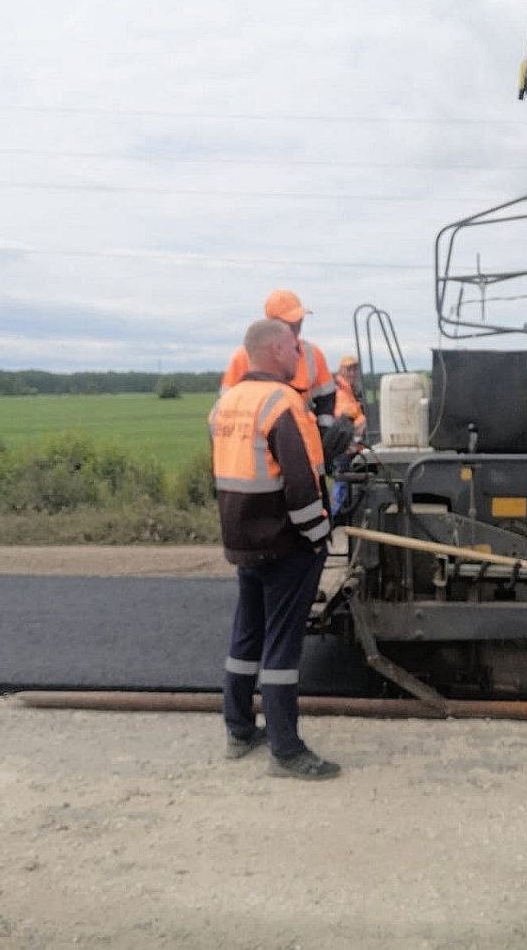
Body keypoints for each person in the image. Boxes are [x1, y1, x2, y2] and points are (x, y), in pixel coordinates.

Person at [209, 317, 340, 780]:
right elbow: (302, 483)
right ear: (274, 351)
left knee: (247, 637)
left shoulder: (226, 404)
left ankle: (239, 729)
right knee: (282, 649)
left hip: (242, 540)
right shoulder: (283, 403)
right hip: (285, 544)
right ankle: (286, 750)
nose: (298, 353)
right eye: (292, 346)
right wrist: (319, 535)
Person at [220, 289, 337, 433]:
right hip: (259, 438)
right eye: (289, 322)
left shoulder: (313, 353)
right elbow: (226, 410)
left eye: (299, 320)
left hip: (304, 436)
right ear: (272, 325)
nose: (296, 326)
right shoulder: (243, 356)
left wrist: (324, 435)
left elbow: (326, 400)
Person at [331, 355, 367, 516]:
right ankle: (335, 515)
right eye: (348, 369)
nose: (352, 373)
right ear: (341, 371)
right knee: (342, 479)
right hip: (344, 446)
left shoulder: (351, 391)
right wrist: (362, 417)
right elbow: (343, 416)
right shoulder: (340, 392)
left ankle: (341, 513)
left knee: (346, 480)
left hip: (352, 445)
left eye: (354, 369)